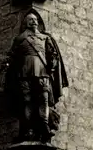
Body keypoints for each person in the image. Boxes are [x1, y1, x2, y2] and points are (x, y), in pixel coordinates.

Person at [6, 13, 68, 143]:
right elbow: (12, 57)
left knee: (43, 100)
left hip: (42, 72)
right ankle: (28, 129)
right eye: (30, 20)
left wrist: (53, 62)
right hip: (24, 74)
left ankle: (44, 126)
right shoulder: (20, 39)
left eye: (35, 19)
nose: (33, 21)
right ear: (25, 23)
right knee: (27, 101)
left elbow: (53, 55)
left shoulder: (45, 38)